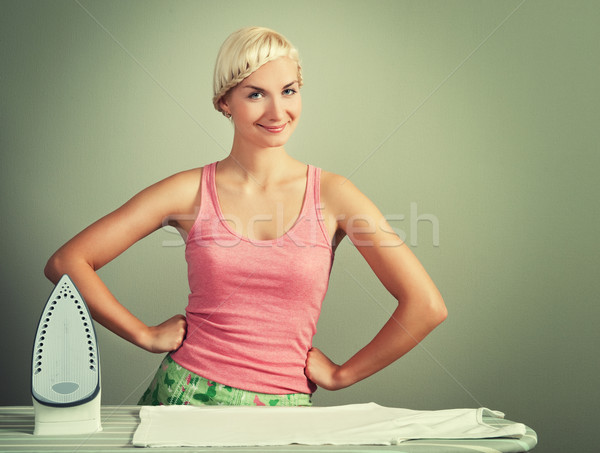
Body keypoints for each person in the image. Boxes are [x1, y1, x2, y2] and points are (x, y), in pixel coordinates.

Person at [44, 26, 447, 407]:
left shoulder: (334, 195)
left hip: (284, 408)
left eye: (288, 91)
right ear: (224, 102)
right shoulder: (188, 191)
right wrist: (143, 334)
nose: (277, 111)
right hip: (183, 397)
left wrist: (344, 374)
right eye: (256, 95)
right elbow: (67, 262)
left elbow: (426, 306)